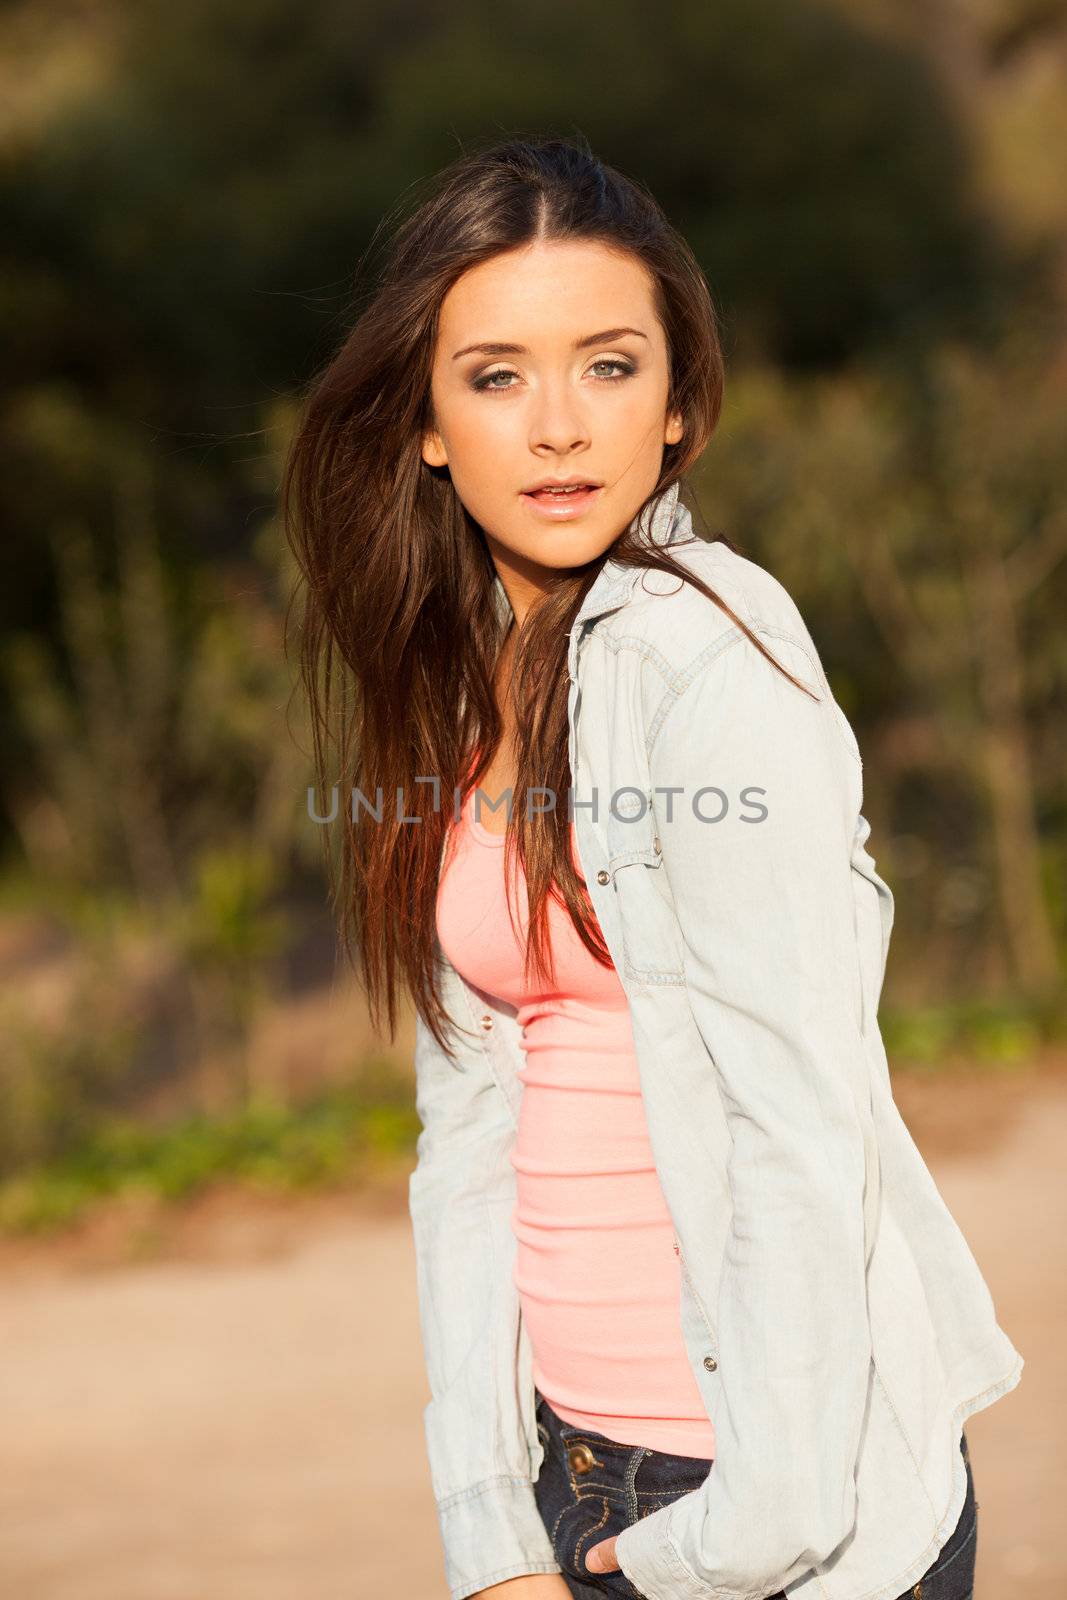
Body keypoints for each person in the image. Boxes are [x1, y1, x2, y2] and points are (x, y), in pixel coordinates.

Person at [282, 135, 1023, 1600]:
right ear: (426, 418)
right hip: (576, 1468)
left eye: (610, 367)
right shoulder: (461, 685)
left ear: (678, 405)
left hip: (758, 1501)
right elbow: (473, 1126)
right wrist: (489, 1517)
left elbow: (798, 1127)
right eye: (497, 375)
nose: (558, 426)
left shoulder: (710, 661)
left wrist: (736, 1539)